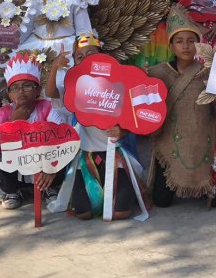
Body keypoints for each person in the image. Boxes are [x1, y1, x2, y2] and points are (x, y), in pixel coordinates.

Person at [44, 31, 146, 220]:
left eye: (90, 54)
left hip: (115, 154)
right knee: (83, 213)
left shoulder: (118, 80)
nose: (85, 59)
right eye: (79, 57)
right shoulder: (73, 87)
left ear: (102, 55)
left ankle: (116, 194)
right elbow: (51, 93)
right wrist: (55, 68)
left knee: (122, 212)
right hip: (86, 157)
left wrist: (122, 131)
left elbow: (135, 118)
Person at [149, 5, 216, 208]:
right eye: (179, 41)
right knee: (161, 201)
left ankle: (198, 183)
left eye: (191, 41)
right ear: (171, 47)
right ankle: (174, 178)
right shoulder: (156, 73)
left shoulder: (210, 72)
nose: (185, 46)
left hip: (202, 143)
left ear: (199, 44)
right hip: (171, 143)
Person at [0, 50, 65, 210]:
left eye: (27, 86)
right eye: (15, 88)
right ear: (9, 93)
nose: (21, 91)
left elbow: (64, 139)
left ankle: (51, 186)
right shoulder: (4, 113)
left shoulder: (47, 108)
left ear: (38, 90)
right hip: (16, 166)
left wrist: (52, 169)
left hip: (45, 165)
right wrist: (13, 122)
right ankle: (13, 190)